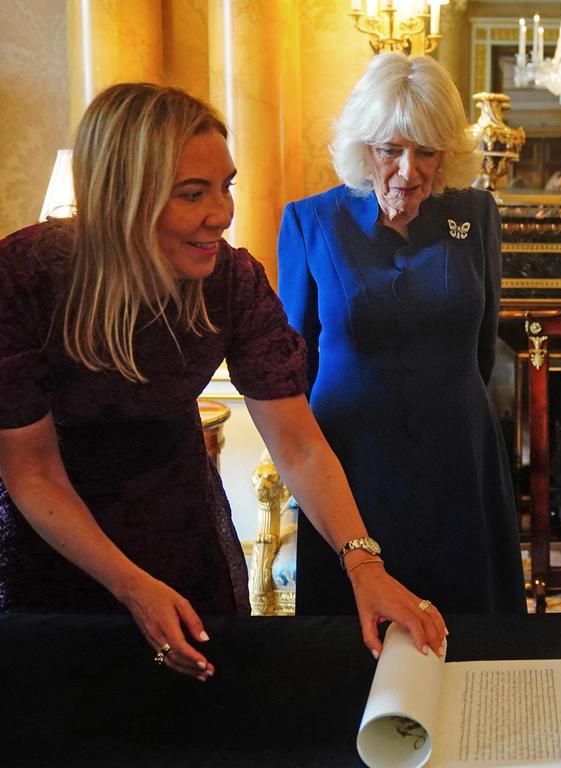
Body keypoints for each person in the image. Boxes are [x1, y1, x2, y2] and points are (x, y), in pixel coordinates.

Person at [0, 83, 446, 682]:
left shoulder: (231, 281)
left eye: (225, 186)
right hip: (49, 542)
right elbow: (32, 471)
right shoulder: (25, 278)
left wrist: (365, 566)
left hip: (179, 523)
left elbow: (299, 445)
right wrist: (132, 585)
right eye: (193, 193)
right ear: (121, 197)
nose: (222, 213)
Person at [277, 54, 525, 616]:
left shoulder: (477, 214)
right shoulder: (309, 222)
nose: (408, 171)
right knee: (351, 639)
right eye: (391, 150)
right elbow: (294, 365)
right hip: (351, 463)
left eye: (427, 152)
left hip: (459, 456)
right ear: (364, 148)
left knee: (469, 629)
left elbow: (483, 345)